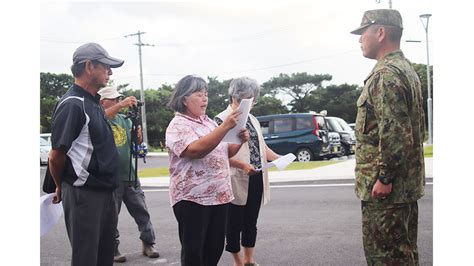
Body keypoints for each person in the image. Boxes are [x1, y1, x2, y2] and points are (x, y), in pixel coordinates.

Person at [351, 9, 426, 265]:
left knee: (385, 258)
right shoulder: (405, 69)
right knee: (403, 254)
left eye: (363, 33)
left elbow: (394, 132)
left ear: (380, 32)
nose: (360, 40)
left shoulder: (385, 75)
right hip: (402, 188)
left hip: (386, 192)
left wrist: (385, 178)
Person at [48, 42, 124, 266]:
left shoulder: (93, 103)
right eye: (106, 67)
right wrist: (60, 185)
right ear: (89, 66)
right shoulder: (73, 104)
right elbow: (55, 156)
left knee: (103, 257)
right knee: (86, 258)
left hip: (105, 190)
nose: (110, 72)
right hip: (84, 193)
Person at [165, 75, 250, 266]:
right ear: (184, 98)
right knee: (194, 252)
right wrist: (226, 126)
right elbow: (195, 150)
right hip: (192, 199)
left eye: (206, 94)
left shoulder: (208, 122)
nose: (205, 98)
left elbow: (225, 152)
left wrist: (239, 140)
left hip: (219, 196)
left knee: (214, 248)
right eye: (198, 94)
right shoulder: (178, 125)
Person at [215, 77, 280, 266]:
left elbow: (262, 147)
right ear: (235, 98)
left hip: (256, 175)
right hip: (235, 178)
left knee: (251, 220)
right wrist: (242, 165)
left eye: (253, 100)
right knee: (234, 223)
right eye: (247, 100)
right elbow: (218, 154)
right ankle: (237, 261)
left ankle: (249, 259)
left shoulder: (252, 119)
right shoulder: (221, 119)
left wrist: (278, 158)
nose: (250, 104)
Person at [98, 86, 160, 263]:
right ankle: (112, 248)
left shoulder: (125, 120)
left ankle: (148, 243)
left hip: (130, 175)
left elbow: (136, 142)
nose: (119, 102)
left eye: (120, 99)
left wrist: (138, 135)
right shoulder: (99, 118)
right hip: (110, 178)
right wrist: (123, 104)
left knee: (142, 212)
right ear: (103, 102)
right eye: (115, 99)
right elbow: (100, 118)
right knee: (110, 218)